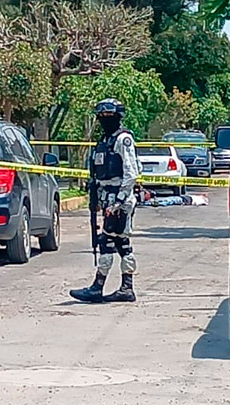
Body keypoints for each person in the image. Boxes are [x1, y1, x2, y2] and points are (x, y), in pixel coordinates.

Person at [70, 98, 141, 303]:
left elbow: (131, 173)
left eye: (108, 116)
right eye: (101, 116)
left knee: (108, 242)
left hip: (119, 200)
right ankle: (124, 288)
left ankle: (99, 287)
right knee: (121, 244)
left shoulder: (123, 139)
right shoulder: (104, 141)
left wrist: (118, 201)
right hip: (107, 197)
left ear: (118, 117)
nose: (104, 120)